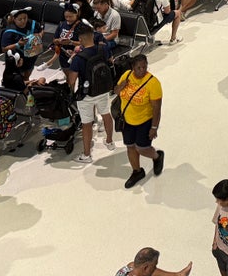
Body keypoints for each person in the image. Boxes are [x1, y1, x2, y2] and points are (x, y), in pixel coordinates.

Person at [114, 53, 164, 189]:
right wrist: (122, 86)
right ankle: (137, 171)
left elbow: (156, 108)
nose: (142, 70)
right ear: (132, 67)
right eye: (138, 68)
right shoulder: (126, 76)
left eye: (144, 67)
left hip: (145, 121)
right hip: (127, 120)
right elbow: (116, 91)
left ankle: (157, 156)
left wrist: (154, 128)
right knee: (130, 146)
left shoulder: (153, 83)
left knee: (141, 148)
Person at [68, 21, 116, 163]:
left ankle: (87, 154)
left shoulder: (78, 58)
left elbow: (71, 80)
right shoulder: (103, 49)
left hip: (86, 94)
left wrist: (72, 93)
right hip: (103, 89)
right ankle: (109, 141)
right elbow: (111, 62)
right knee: (106, 114)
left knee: (87, 123)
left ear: (81, 39)